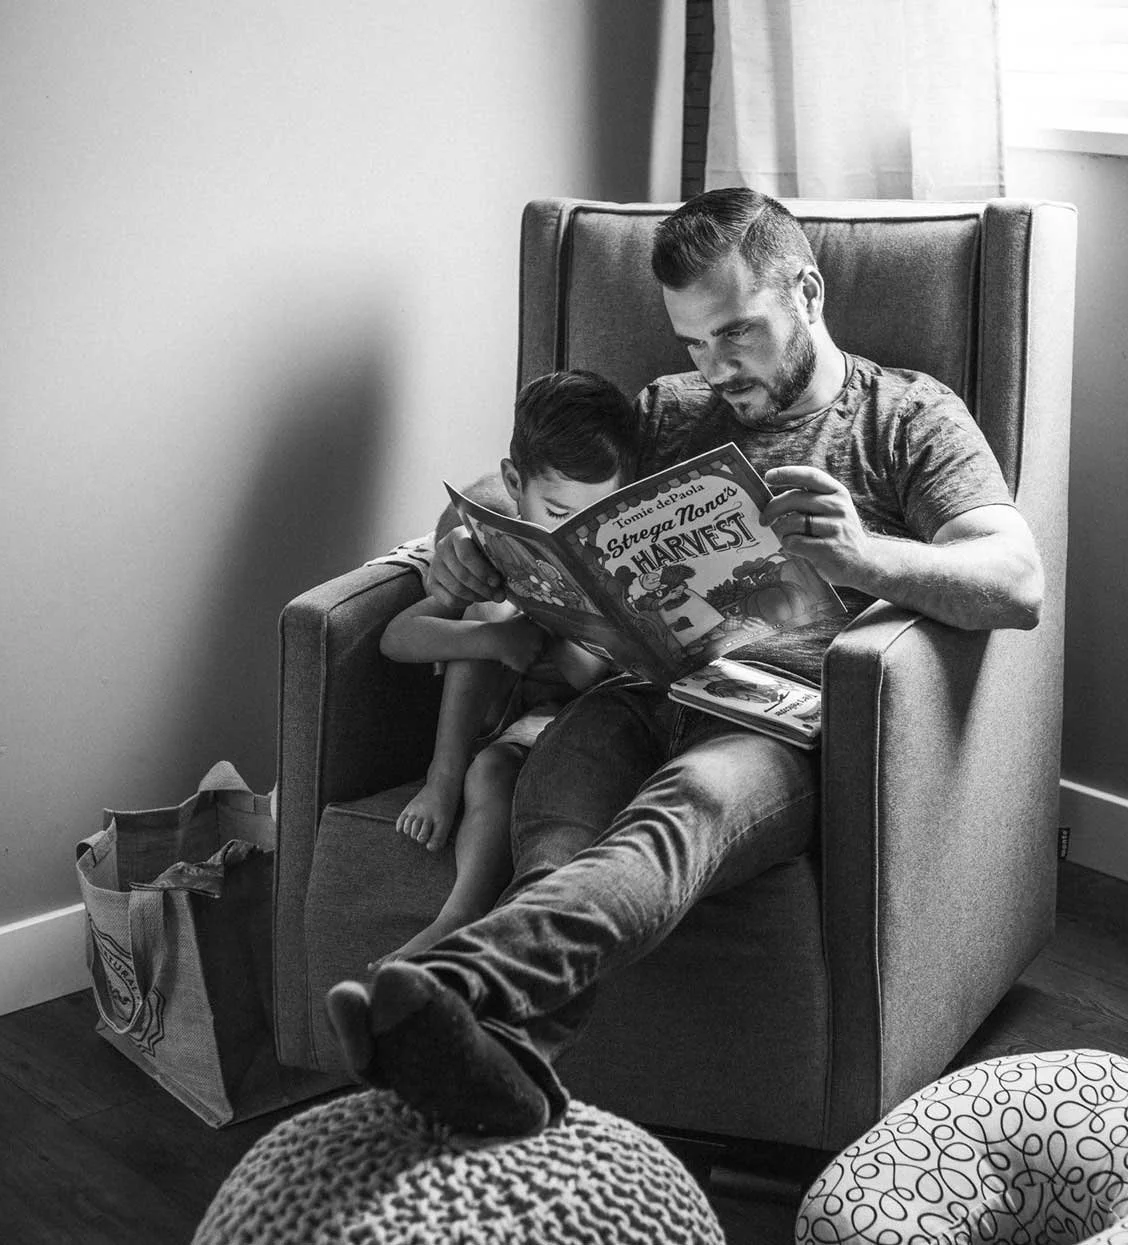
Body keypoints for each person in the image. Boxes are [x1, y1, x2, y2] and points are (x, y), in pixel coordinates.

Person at [326, 187, 1045, 1139]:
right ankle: (513, 1066)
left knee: (681, 813)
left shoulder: (907, 417)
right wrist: (463, 535)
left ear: (809, 292)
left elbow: (1018, 578)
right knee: (556, 821)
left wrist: (867, 558)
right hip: (634, 692)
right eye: (692, 342)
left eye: (737, 333)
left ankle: (457, 983)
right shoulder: (670, 409)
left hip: (774, 723)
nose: (715, 366)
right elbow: (535, 482)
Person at [371, 369, 637, 964]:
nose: (574, 534)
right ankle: (456, 908)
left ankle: (480, 921)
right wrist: (498, 637)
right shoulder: (491, 551)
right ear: (515, 482)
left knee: (507, 752)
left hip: (584, 719)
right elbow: (397, 637)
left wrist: (560, 636)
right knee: (486, 625)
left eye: (596, 517)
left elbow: (599, 680)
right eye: (558, 510)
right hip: (510, 723)